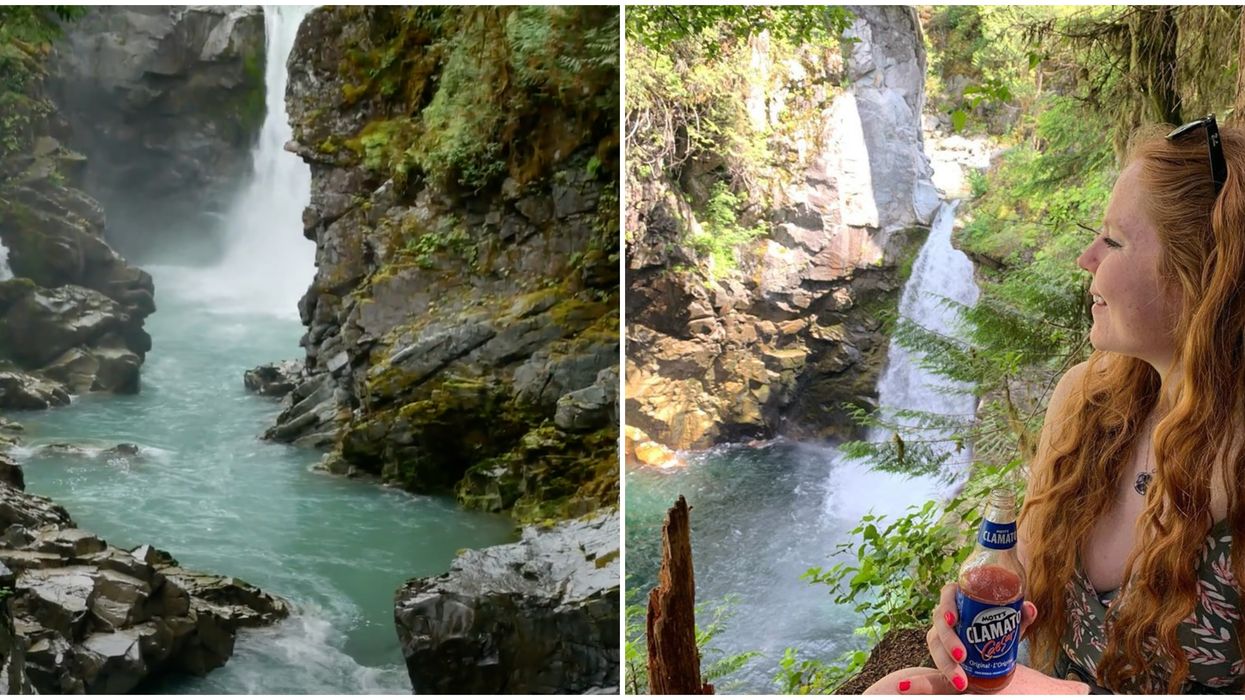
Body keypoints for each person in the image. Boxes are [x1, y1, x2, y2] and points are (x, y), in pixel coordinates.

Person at [866, 116, 1245, 695]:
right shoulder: (1087, 399)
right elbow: (1018, 566)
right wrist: (981, 591)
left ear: (1203, 276)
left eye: (1114, 240)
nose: (1086, 258)